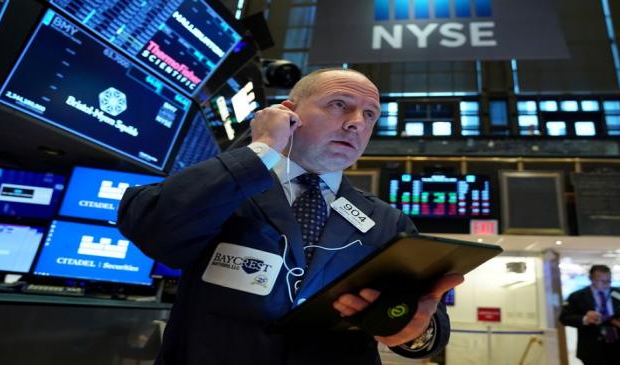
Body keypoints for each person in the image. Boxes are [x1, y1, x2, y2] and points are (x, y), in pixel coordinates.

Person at [117, 68, 464, 365]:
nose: (356, 123)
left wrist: (416, 330)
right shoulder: (229, 186)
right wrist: (261, 149)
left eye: (370, 114)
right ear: (288, 113)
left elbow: (428, 324)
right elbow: (153, 227)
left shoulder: (388, 222)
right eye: (339, 105)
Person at [559, 265, 620, 365]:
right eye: (601, 281)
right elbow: (564, 318)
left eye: (608, 281)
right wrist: (585, 319)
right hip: (593, 349)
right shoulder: (578, 297)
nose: (606, 284)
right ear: (591, 279)